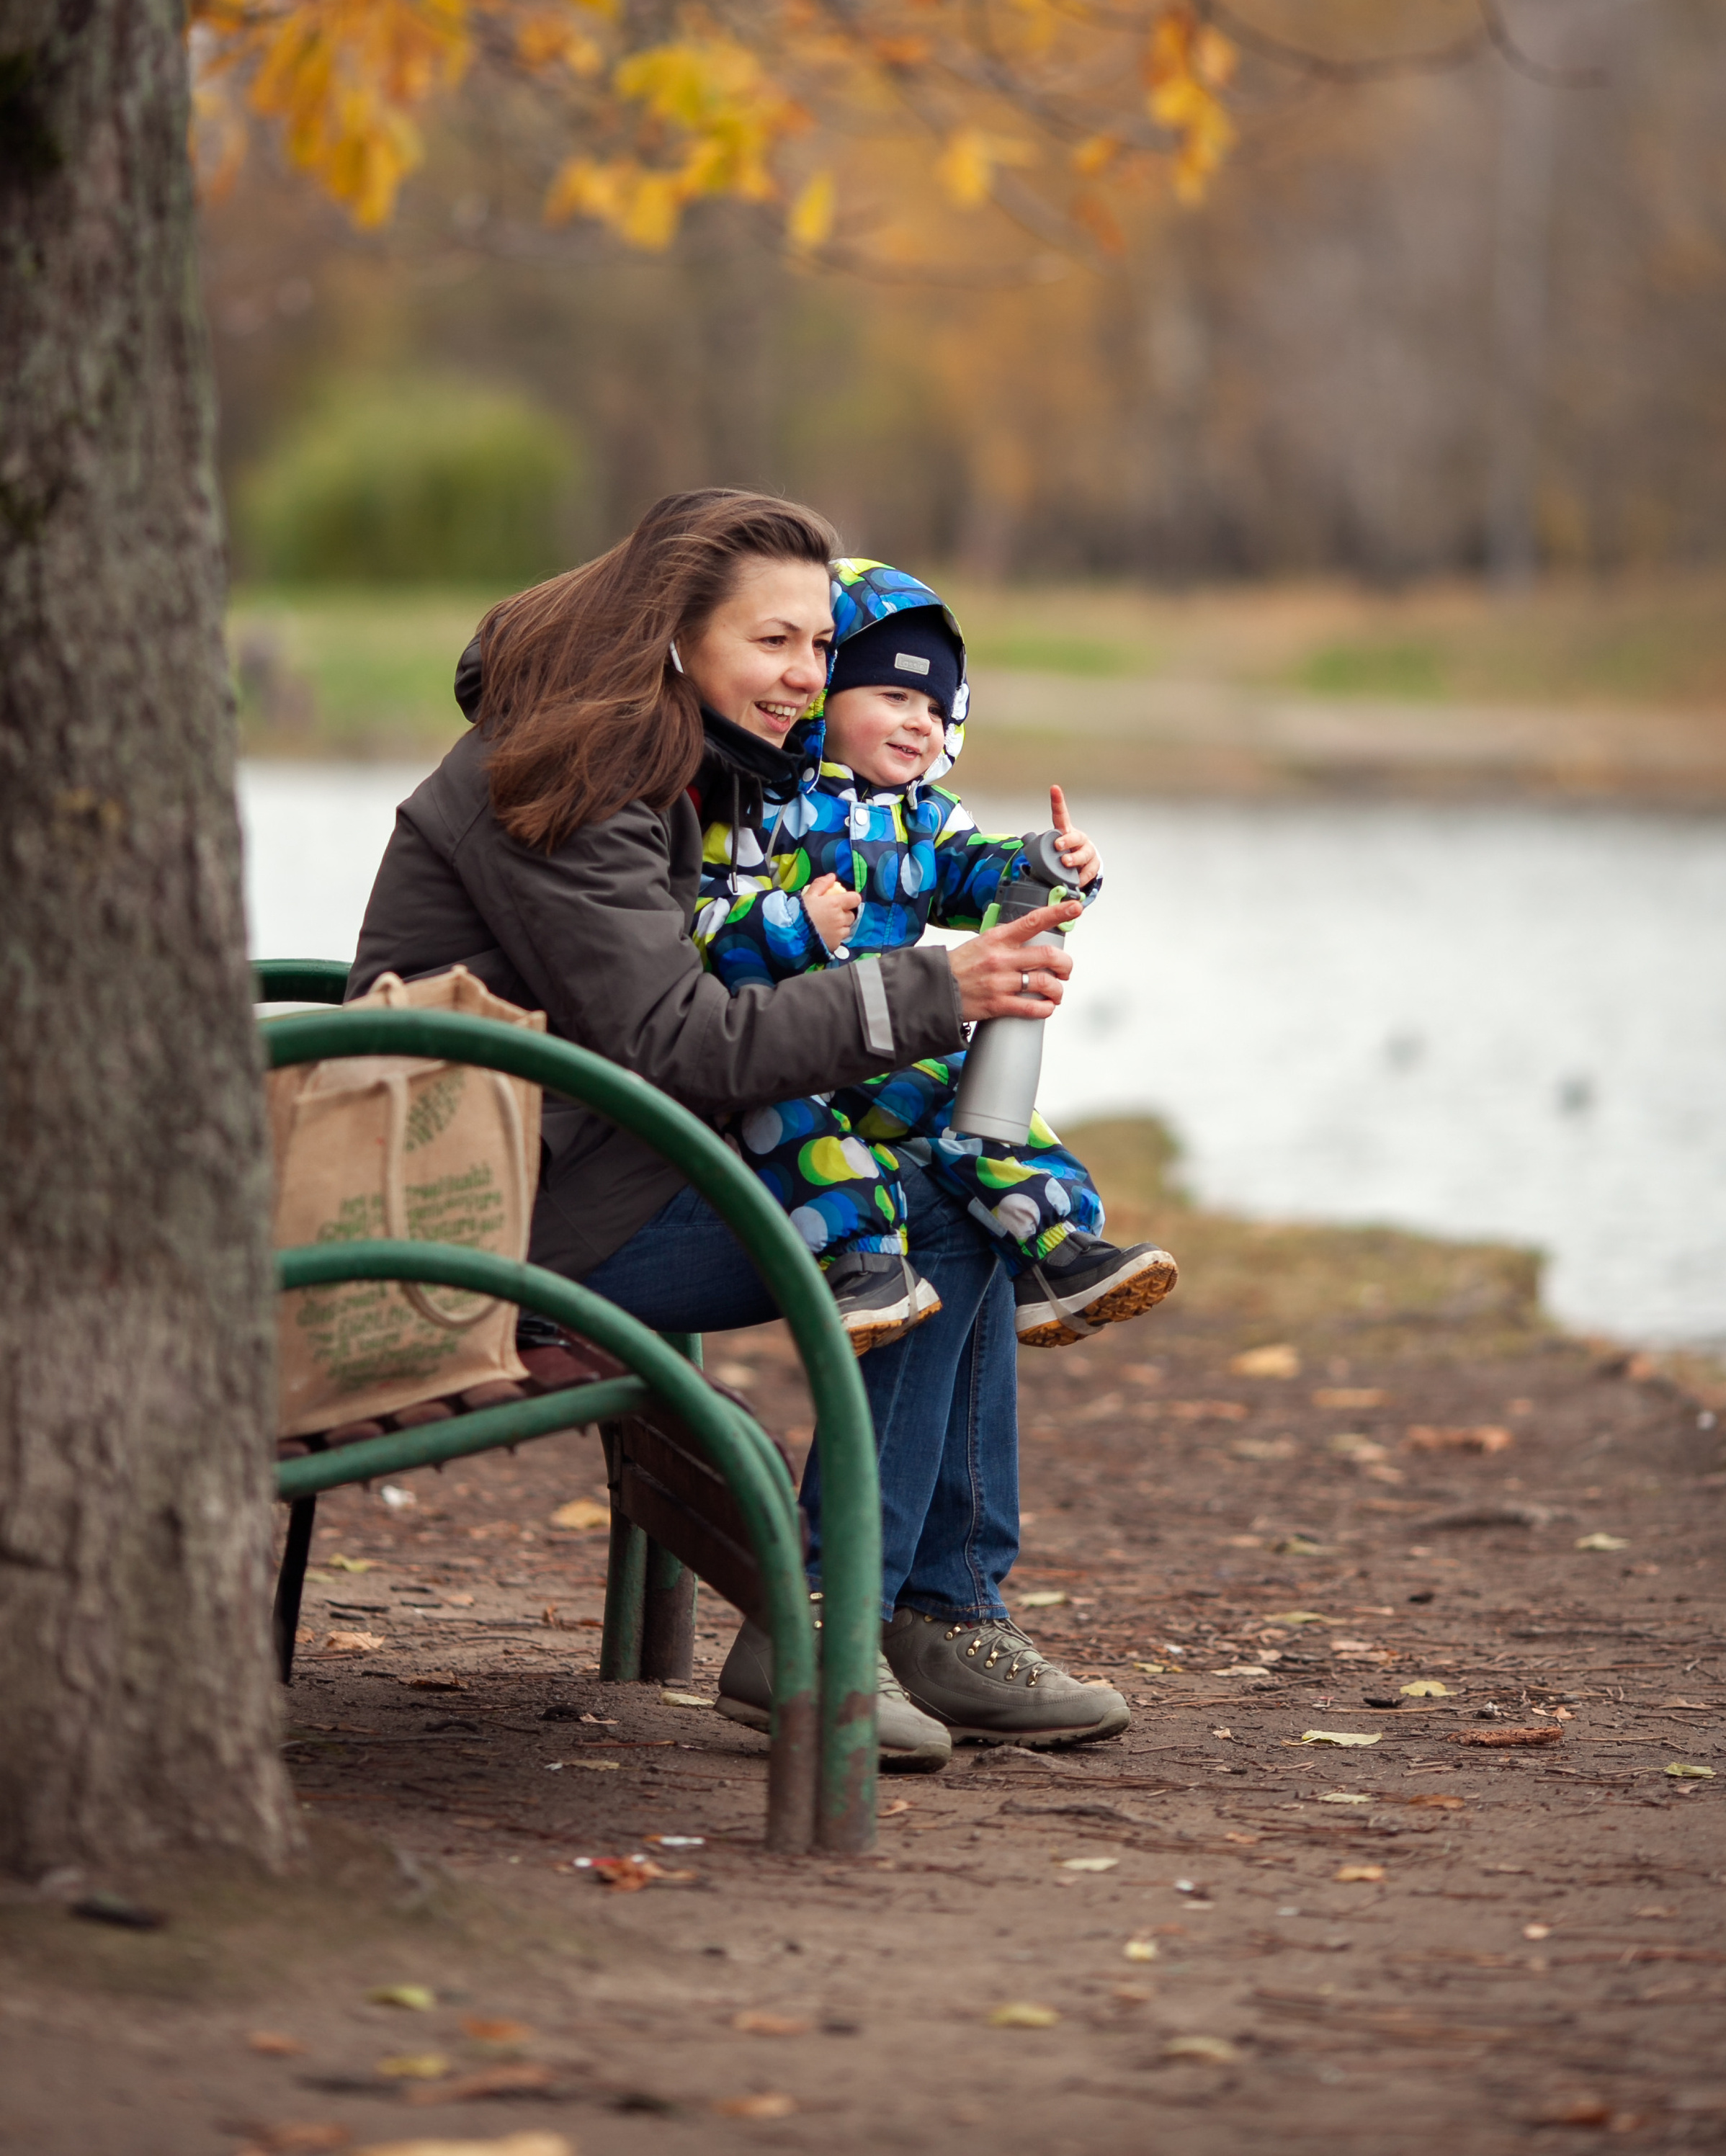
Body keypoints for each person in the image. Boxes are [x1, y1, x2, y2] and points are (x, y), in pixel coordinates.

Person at [346, 488, 1132, 1763]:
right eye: (776, 643)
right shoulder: (576, 774)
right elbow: (676, 1041)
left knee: (949, 1180)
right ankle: (835, 1625)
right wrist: (939, 989)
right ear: (671, 631)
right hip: (485, 1215)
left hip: (561, 1157)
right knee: (942, 1212)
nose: (808, 678)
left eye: (822, 648)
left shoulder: (652, 752)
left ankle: (933, 1614)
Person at [693, 558, 1178, 1356]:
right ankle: (862, 1270)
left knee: (983, 1109)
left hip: (884, 1046)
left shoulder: (928, 818)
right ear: (820, 693)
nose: (918, 721)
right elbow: (702, 926)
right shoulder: (759, 802)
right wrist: (790, 922)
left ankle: (1057, 1252)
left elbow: (978, 876)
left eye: (932, 706)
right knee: (801, 1136)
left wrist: (1050, 867)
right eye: (891, 696)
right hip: (783, 1049)